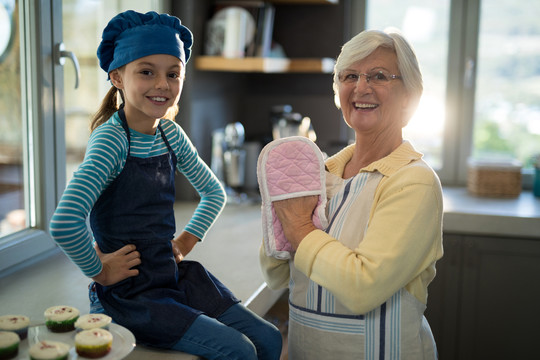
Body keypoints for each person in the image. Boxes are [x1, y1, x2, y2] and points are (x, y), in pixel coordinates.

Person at [50, 10, 281, 360]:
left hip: (170, 275)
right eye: (146, 72)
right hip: (131, 295)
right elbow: (65, 221)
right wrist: (100, 270)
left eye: (173, 74)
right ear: (117, 77)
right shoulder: (112, 141)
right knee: (240, 351)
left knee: (269, 338)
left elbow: (214, 193)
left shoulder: (170, 135)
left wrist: (184, 242)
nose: (162, 84)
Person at [259, 29, 443, 359]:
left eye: (379, 76)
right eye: (350, 76)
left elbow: (362, 288)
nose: (361, 87)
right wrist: (276, 222)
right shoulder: (320, 173)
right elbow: (276, 275)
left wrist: (299, 228)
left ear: (409, 96)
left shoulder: (413, 182)